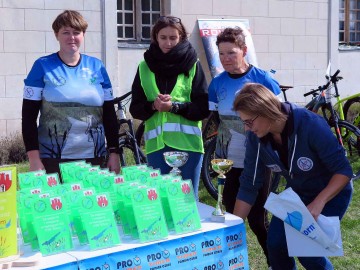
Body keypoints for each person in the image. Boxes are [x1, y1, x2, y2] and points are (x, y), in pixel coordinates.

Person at [233, 83, 353, 270]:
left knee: (308, 253)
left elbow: (344, 171)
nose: (247, 128)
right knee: (276, 245)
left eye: (249, 121)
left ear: (265, 110)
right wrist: (232, 229)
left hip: (331, 193)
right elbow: (250, 183)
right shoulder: (255, 137)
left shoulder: (310, 124)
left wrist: (319, 202)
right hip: (298, 194)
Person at [208, 26, 281, 266]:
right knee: (230, 216)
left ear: (244, 51)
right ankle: (234, 261)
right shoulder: (216, 84)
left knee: (258, 219)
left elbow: (278, 118)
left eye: (231, 52)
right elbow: (215, 120)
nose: (226, 58)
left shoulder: (263, 79)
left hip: (259, 159)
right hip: (227, 162)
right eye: (221, 54)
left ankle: (277, 262)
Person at [22, 10, 120, 179]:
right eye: (65, 32)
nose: (71, 37)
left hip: (95, 157)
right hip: (52, 159)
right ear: (56, 35)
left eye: (76, 32)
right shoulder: (41, 66)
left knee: (94, 205)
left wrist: (114, 152)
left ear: (83, 35)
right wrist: (34, 159)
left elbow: (109, 114)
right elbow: (28, 118)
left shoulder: (97, 66)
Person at [130, 15, 209, 200]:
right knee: (160, 201)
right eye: (163, 37)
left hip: (189, 147)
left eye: (173, 38)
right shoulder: (144, 67)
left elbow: (203, 108)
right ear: (155, 38)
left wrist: (174, 107)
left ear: (181, 37)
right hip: (157, 148)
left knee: (187, 202)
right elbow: (135, 108)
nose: (168, 42)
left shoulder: (193, 65)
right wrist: (153, 106)